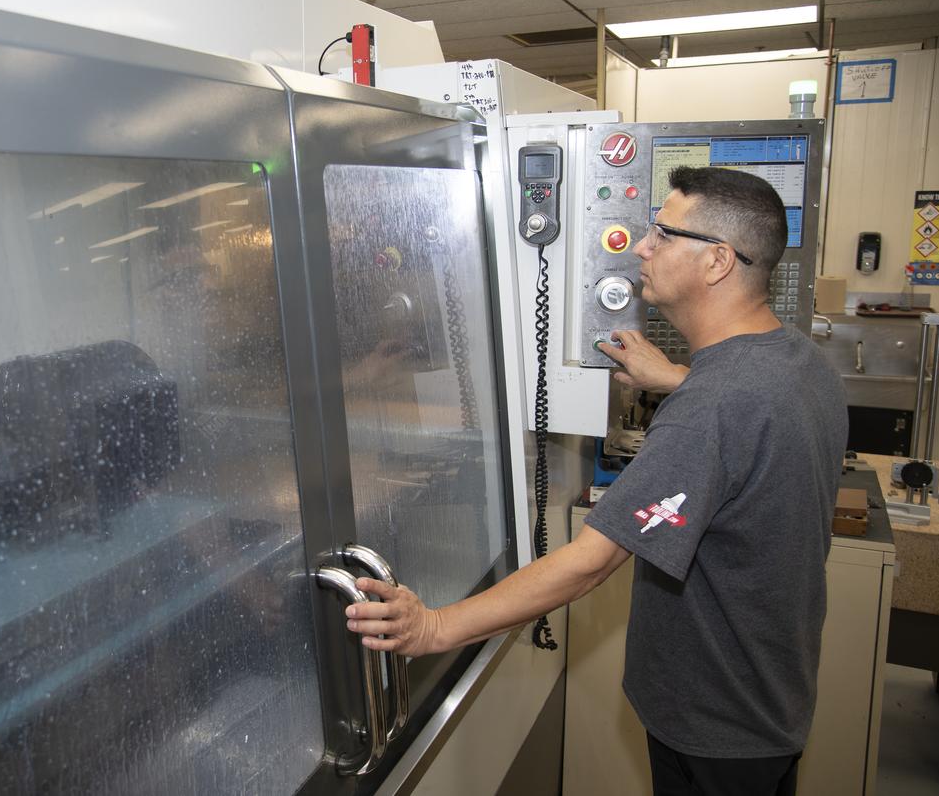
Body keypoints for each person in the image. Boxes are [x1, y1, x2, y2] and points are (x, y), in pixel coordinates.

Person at [345, 166, 847, 796]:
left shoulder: (716, 404)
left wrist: (435, 629)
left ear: (717, 261)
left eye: (663, 233)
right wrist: (676, 380)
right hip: (772, 695)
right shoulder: (800, 363)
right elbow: (745, 419)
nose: (642, 246)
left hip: (715, 723)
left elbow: (590, 562)